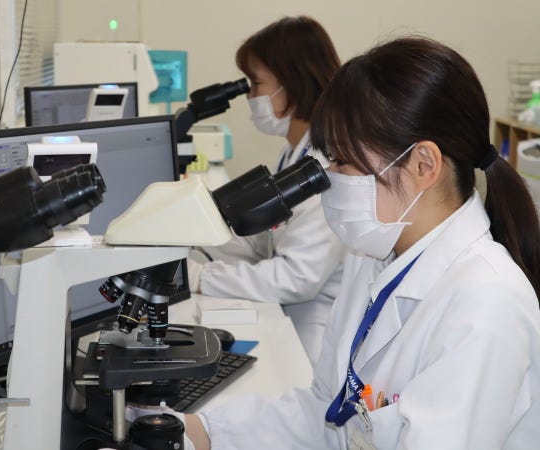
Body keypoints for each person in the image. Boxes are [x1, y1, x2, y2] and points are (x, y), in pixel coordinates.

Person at [182, 36, 540, 449]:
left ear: (423, 164)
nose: (329, 177)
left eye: (342, 160)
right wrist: (197, 432)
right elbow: (328, 413)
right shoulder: (374, 257)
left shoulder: (486, 304)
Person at [189, 16, 346, 364]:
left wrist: (202, 277)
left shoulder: (327, 165)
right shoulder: (295, 153)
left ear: (292, 83)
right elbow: (265, 241)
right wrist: (196, 235)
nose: (250, 95)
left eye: (256, 83)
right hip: (289, 316)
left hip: (313, 334)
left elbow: (296, 277)